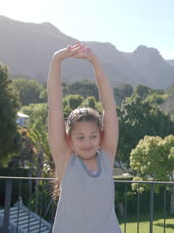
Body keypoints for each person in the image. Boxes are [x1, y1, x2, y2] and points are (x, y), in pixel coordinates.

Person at [47, 42, 121, 232]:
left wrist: (95, 63)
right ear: (69, 139)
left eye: (93, 136)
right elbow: (55, 106)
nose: (87, 142)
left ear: (101, 135)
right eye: (80, 137)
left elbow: (109, 107)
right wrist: (57, 60)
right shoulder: (65, 158)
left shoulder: (106, 156)